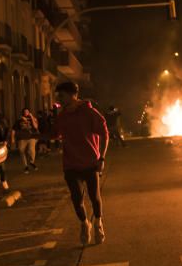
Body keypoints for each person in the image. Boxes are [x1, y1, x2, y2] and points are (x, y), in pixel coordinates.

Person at [53, 82, 109, 246]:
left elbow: (105, 134)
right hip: (70, 165)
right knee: (76, 199)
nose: (59, 99)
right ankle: (85, 223)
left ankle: (98, 222)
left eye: (61, 95)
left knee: (94, 198)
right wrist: (32, 134)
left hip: (90, 163)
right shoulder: (62, 116)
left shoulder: (89, 113)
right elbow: (55, 134)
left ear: (73, 95)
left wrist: (102, 158)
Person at [11, 108, 40, 173]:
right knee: (21, 151)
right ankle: (25, 166)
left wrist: (32, 117)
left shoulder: (33, 119)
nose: (26, 113)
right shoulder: (19, 120)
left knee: (32, 151)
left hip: (31, 137)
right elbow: (13, 129)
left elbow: (36, 127)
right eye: (25, 112)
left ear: (29, 112)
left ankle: (31, 162)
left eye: (27, 111)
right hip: (21, 138)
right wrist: (12, 138)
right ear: (22, 113)